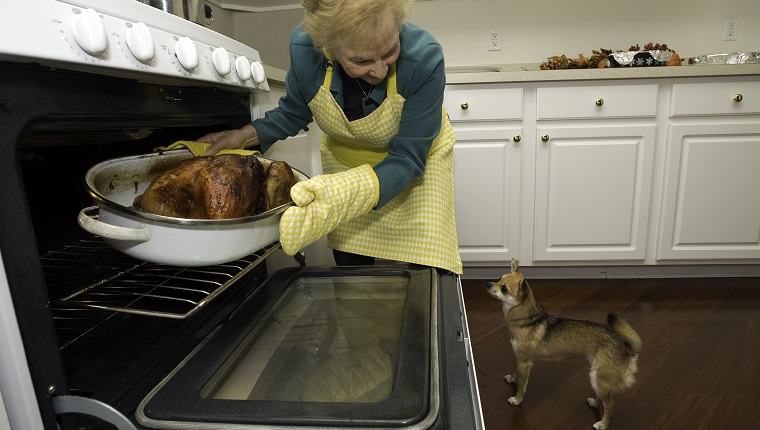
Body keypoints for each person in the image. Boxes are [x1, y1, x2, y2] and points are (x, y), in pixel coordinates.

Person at [198, 0, 462, 274]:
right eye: (362, 60)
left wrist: (349, 194)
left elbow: (408, 155)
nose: (380, 70)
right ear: (328, 47)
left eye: (390, 51)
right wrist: (243, 136)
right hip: (347, 166)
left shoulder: (424, 58)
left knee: (428, 269)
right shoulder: (304, 48)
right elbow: (293, 112)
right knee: (353, 271)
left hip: (415, 169)